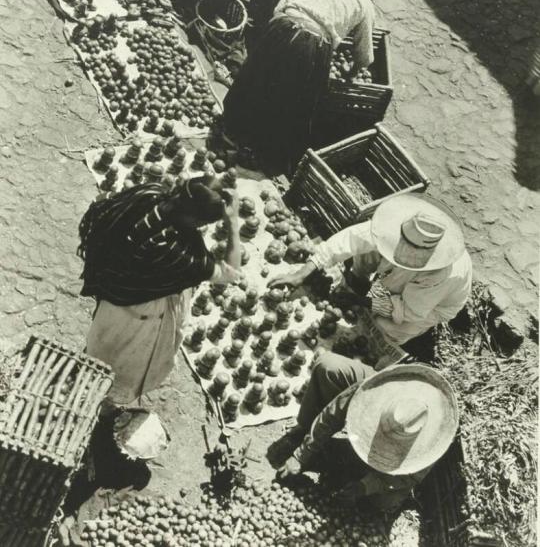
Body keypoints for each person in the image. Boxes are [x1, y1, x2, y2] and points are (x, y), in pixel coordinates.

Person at [223, 0, 396, 175]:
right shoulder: (364, 5)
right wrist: (352, 72)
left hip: (281, 26)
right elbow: (364, 56)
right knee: (292, 103)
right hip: (314, 45)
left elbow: (281, 5)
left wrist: (279, 32)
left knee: (256, 79)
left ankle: (230, 131)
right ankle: (260, 155)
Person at [77, 176, 241, 405]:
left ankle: (88, 369)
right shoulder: (177, 252)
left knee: (101, 343)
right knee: (124, 362)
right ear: (197, 220)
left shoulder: (147, 195)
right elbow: (231, 272)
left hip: (113, 290)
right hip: (140, 316)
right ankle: (107, 404)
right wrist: (233, 223)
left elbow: (101, 204)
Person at [270, 194, 472, 346]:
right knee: (368, 250)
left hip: (427, 305)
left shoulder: (443, 273)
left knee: (387, 328)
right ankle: (361, 285)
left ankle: (375, 310)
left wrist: (360, 302)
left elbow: (408, 310)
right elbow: (350, 239)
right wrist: (303, 272)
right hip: (401, 279)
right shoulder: (396, 226)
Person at [276, 359, 459, 511]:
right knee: (328, 366)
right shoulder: (375, 393)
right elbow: (332, 414)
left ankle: (360, 472)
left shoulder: (434, 440)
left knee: (384, 503)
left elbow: (408, 477)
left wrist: (364, 487)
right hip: (397, 386)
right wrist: (301, 455)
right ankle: (306, 433)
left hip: (406, 458)